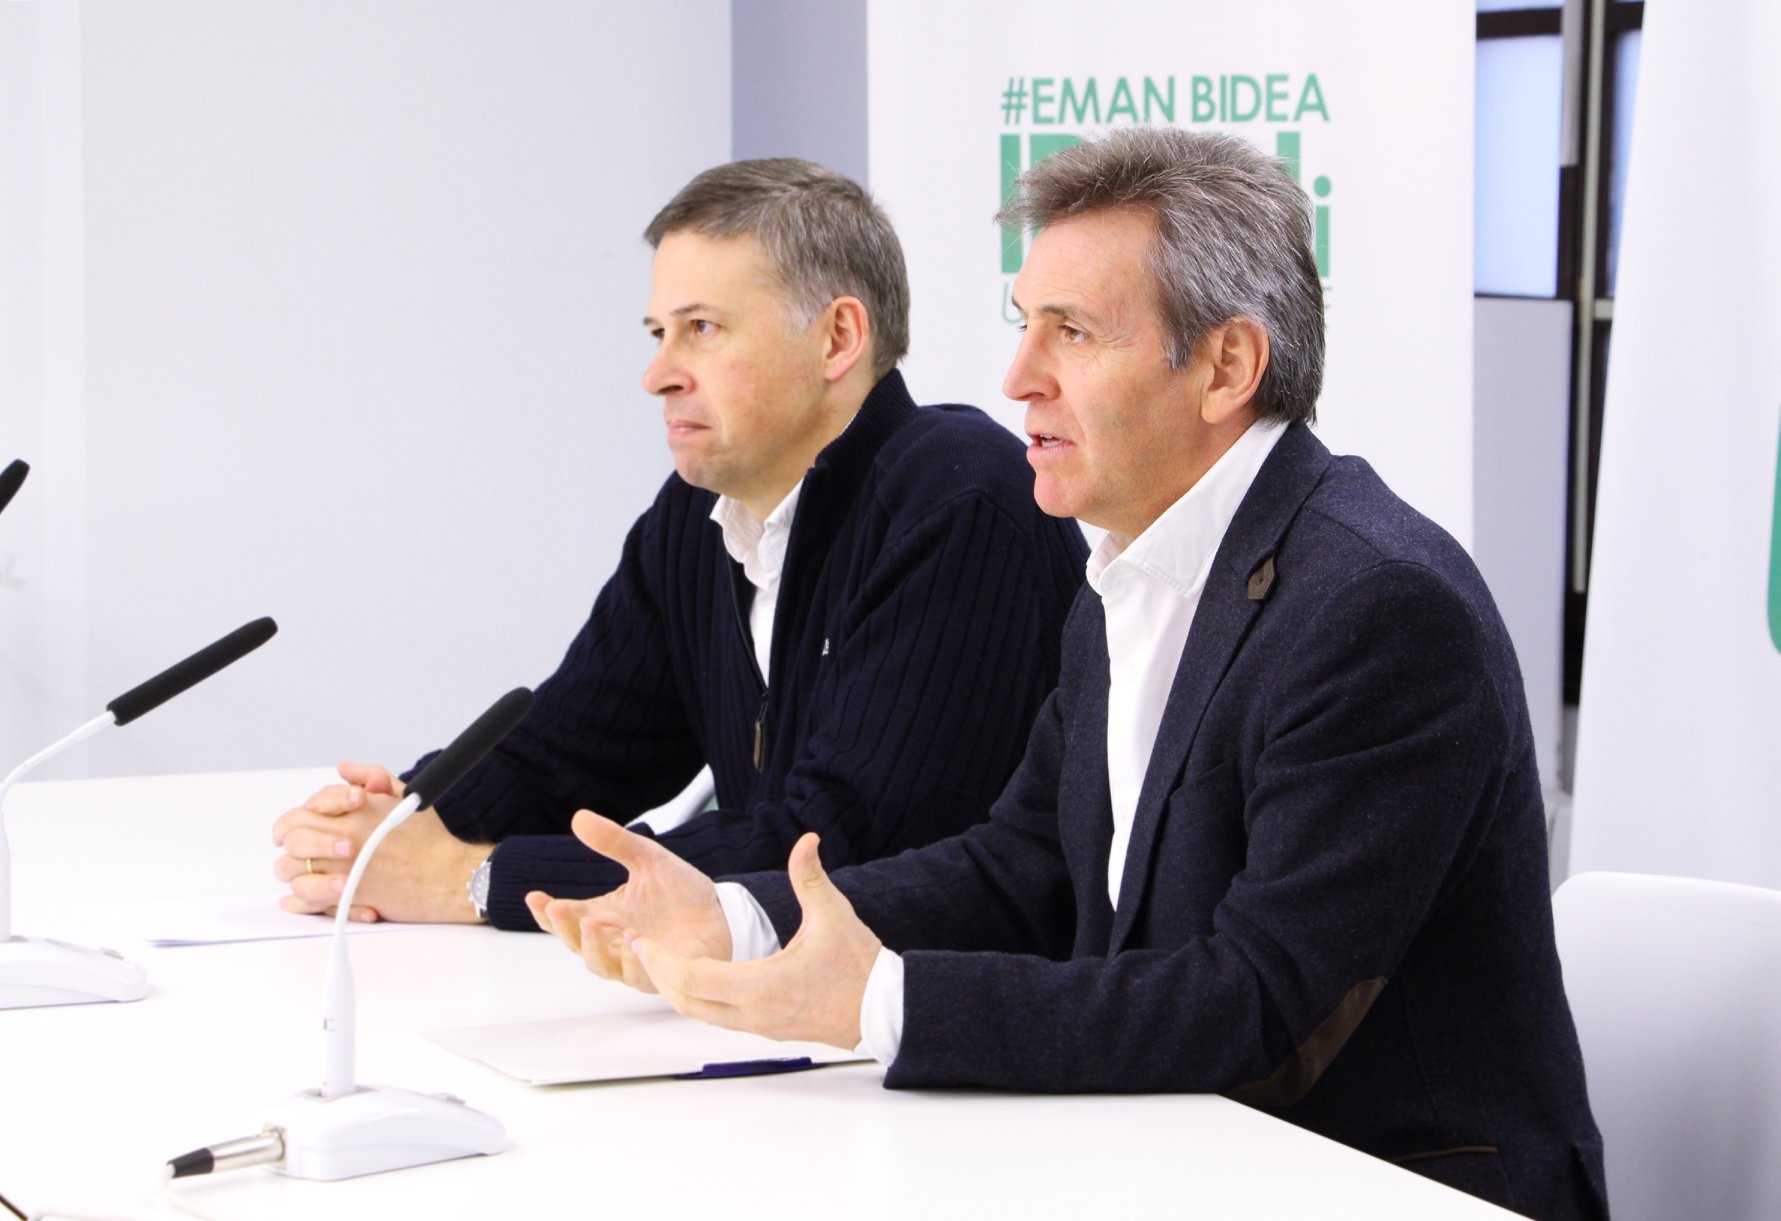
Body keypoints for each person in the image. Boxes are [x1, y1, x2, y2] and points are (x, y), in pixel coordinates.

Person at [528, 130, 1609, 1221]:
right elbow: (1024, 865)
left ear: (1225, 367)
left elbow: (1258, 1002)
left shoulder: (1378, 607)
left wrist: (883, 1000)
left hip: (1387, 1186)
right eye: (1024, 324)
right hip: (1173, 1160)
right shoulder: (1125, 570)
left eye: (1073, 332)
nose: (1018, 377)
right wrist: (740, 918)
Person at [270, 158, 1087, 932]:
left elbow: (837, 852)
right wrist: (399, 819)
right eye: (658, 332)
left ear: (838, 338)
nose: (657, 374)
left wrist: (473, 879)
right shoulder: (699, 515)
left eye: (701, 328)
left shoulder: (959, 503)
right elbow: (573, 750)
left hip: (950, 1013)